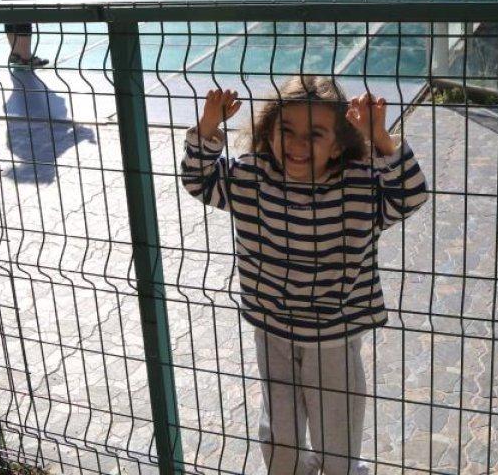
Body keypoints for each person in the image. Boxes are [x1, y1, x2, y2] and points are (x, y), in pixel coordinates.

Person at [181, 75, 429, 475]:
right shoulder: (251, 177)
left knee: (338, 430)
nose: (296, 144)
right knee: (279, 430)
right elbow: (198, 180)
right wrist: (209, 126)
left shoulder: (359, 184)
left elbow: (411, 196)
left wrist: (381, 138)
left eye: (315, 134)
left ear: (340, 144)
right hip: (272, 327)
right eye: (287, 130)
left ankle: (341, 470)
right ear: (269, 131)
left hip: (335, 333)